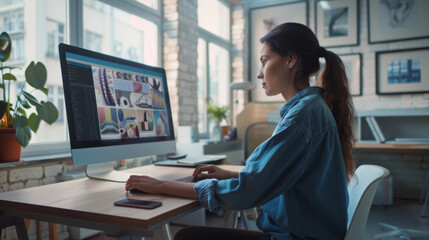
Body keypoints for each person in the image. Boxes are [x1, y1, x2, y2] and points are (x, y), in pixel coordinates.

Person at [125, 22, 355, 240]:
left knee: (187, 236)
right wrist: (232, 174)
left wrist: (161, 185)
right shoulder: (311, 109)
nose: (260, 73)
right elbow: (278, 174)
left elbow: (245, 193)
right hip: (304, 233)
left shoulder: (301, 118)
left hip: (295, 236)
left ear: (291, 60)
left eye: (265, 61)